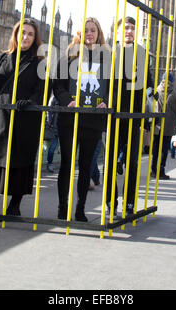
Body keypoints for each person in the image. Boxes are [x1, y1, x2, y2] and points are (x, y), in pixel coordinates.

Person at [0, 18, 47, 215]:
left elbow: (42, 90)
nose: (25, 37)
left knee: (22, 162)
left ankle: (14, 205)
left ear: (35, 39)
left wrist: (31, 102)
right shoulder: (2, 58)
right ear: (15, 34)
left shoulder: (39, 63)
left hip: (25, 119)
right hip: (1, 117)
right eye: (22, 32)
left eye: (30, 34)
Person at [53, 17, 110, 222]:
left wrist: (105, 100)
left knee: (86, 165)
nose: (89, 34)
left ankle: (80, 208)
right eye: (85, 30)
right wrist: (67, 100)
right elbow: (57, 85)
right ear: (79, 33)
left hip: (92, 120)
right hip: (70, 118)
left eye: (93, 30)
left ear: (99, 33)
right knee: (67, 164)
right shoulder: (69, 56)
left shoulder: (106, 59)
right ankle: (62, 207)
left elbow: (111, 88)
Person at [106, 16, 154, 217]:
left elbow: (149, 84)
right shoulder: (109, 53)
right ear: (117, 31)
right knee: (109, 161)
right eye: (125, 28)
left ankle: (129, 202)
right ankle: (111, 203)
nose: (129, 31)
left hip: (134, 116)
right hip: (113, 114)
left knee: (133, 163)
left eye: (132, 28)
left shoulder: (141, 54)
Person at [151, 72, 176, 180]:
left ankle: (153, 170)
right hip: (168, 127)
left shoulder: (155, 91)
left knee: (156, 149)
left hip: (156, 126)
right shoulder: (175, 95)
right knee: (164, 149)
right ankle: (161, 171)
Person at [45, 95, 59, 173]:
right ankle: (49, 163)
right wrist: (50, 123)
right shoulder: (54, 97)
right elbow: (49, 110)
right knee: (52, 148)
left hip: (64, 127)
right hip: (55, 127)